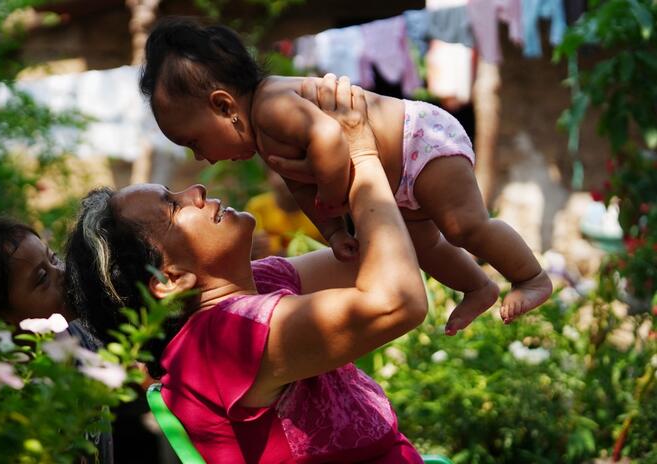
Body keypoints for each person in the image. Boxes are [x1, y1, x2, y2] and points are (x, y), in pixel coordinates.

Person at [65, 76, 428, 462]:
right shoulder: (220, 339)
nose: (196, 192)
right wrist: (362, 153)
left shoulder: (255, 285)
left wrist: (331, 165)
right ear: (169, 279)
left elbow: (390, 252)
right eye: (174, 207)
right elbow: (396, 302)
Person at [139, 17, 552, 335]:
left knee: (464, 227)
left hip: (419, 142)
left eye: (195, 141)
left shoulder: (272, 106)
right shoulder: (267, 140)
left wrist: (336, 196)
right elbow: (304, 189)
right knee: (422, 246)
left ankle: (530, 277)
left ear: (224, 105)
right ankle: (478, 286)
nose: (202, 158)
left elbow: (330, 139)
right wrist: (334, 230)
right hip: (394, 177)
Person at [0, 216, 112, 464]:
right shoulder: (1, 414)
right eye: (41, 278)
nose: (63, 273)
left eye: (53, 258)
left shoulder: (78, 334)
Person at [246, 169, 325, 259]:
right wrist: (248, 250)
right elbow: (253, 251)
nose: (288, 179)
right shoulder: (258, 207)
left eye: (295, 173)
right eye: (280, 173)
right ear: (268, 178)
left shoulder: (321, 208)